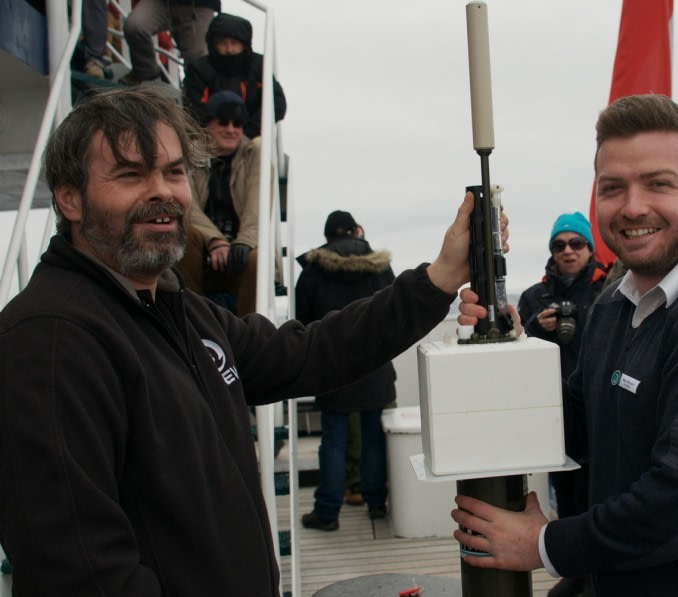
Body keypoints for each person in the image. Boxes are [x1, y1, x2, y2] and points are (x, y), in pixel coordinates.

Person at [0, 86, 495, 595]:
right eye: (130, 174)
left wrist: (437, 279)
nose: (163, 191)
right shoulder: (49, 341)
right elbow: (80, 571)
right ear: (68, 198)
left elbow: (306, 353)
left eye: (173, 171)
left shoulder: (183, 312)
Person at [453, 94, 678, 595]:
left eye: (659, 184)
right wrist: (511, 344)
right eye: (613, 188)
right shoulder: (617, 305)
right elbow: (577, 424)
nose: (633, 206)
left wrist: (544, 545)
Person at [516, 211, 609, 597]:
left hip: (602, 406)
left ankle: (600, 576)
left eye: (576, 243)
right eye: (559, 245)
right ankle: (576, 573)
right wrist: (537, 327)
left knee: (603, 493)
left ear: (589, 247)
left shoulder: (612, 290)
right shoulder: (534, 298)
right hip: (557, 412)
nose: (568, 251)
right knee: (566, 491)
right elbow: (517, 350)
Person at [295, 211, 396, 530]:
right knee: (373, 439)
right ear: (355, 232)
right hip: (375, 365)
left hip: (332, 366)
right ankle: (377, 504)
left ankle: (327, 513)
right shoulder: (380, 266)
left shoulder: (312, 271)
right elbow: (394, 311)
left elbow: (302, 322)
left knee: (334, 441)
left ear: (327, 237)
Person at [175, 90, 259, 316]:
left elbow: (257, 208)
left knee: (255, 259)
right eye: (223, 122)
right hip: (202, 249)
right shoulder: (185, 155)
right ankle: (192, 321)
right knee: (184, 234)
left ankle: (252, 334)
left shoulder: (255, 155)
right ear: (206, 124)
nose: (231, 129)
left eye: (238, 123)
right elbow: (185, 204)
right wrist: (215, 240)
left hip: (239, 249)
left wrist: (244, 242)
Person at [182, 12, 287, 139]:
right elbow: (192, 108)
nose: (229, 49)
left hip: (250, 138)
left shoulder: (259, 67)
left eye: (234, 43)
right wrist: (217, 131)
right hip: (208, 140)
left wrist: (244, 132)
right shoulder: (198, 69)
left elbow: (277, 104)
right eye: (223, 43)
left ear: (244, 45)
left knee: (259, 147)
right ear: (213, 44)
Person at [120, 0, 220, 86]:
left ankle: (192, 102)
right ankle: (146, 77)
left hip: (199, 6)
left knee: (197, 62)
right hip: (161, 3)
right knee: (135, 27)